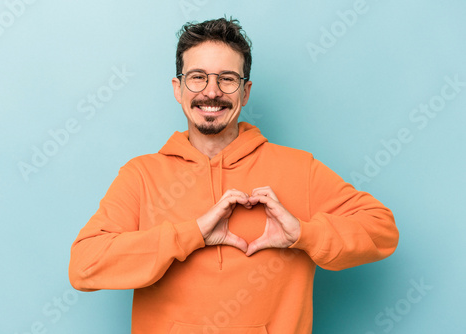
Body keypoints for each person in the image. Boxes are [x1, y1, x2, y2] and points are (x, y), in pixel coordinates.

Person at [69, 17, 399, 334]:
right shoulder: (141, 175)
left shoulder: (300, 168)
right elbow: (84, 267)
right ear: (178, 87)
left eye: (227, 78)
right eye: (197, 77)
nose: (211, 92)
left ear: (245, 91)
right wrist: (192, 235)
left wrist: (304, 234)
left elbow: (382, 230)